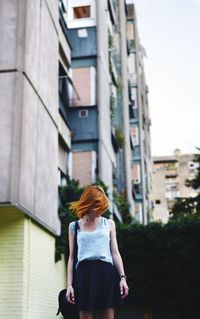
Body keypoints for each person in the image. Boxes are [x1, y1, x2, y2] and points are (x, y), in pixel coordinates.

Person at [66, 185, 129, 319]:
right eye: (97, 207)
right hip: (84, 275)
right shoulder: (74, 226)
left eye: (102, 208)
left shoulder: (109, 224)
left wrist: (123, 278)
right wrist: (69, 285)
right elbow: (71, 258)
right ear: (88, 204)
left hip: (105, 272)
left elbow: (115, 252)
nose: (100, 211)